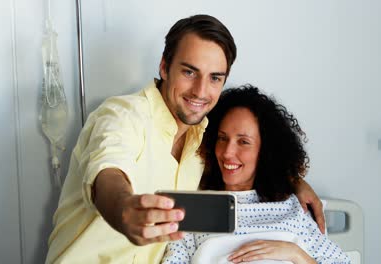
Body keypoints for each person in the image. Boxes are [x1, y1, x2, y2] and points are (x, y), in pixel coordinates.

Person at [46, 15, 324, 264]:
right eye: (189, 72)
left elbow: (247, 152)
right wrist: (124, 209)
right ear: (165, 67)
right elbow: (107, 172)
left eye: (215, 78)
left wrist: (294, 180)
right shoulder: (123, 116)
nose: (200, 91)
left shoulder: (206, 139)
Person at [162, 85, 350, 264]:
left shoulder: (293, 208)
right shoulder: (195, 208)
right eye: (222, 138)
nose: (227, 152)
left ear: (265, 151)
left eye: (243, 142)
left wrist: (295, 253)